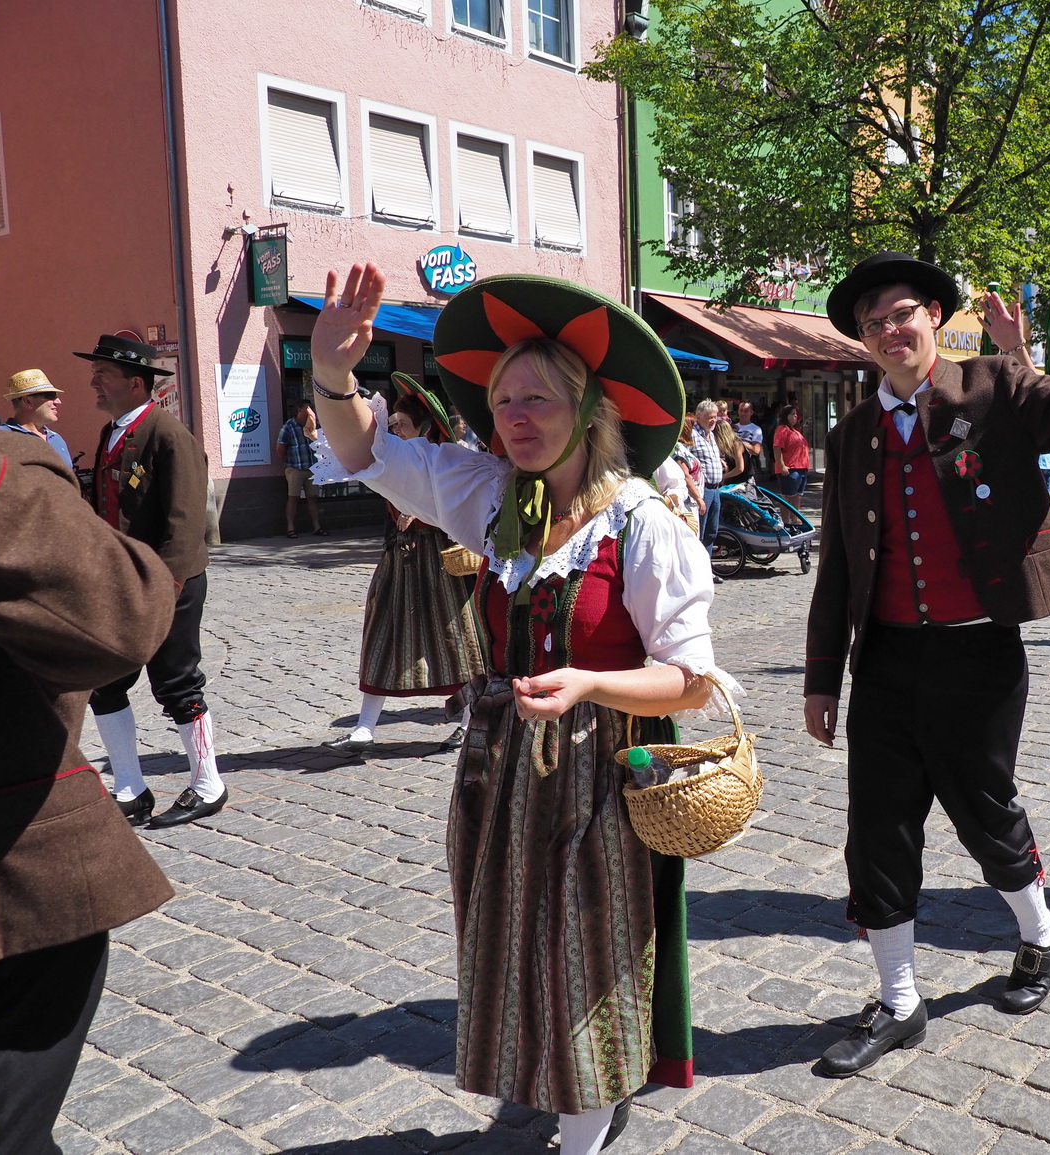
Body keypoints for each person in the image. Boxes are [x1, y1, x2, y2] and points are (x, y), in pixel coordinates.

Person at [309, 265, 733, 1155]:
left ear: (589, 410)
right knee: (514, 945)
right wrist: (332, 376)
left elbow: (692, 680)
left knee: (584, 955)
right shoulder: (492, 496)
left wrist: (589, 683)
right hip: (500, 770)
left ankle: (586, 1122)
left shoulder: (642, 523)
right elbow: (370, 455)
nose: (516, 418)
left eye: (538, 399)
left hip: (602, 771)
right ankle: (550, 1083)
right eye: (503, 401)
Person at [803, 208, 1050, 1078]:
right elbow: (837, 563)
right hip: (883, 659)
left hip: (976, 653)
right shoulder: (851, 435)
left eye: (902, 312)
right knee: (876, 832)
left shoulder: (994, 387)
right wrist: (820, 678)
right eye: (873, 321)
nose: (888, 329)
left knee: (983, 811)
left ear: (931, 318)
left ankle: (1037, 931)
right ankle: (899, 1000)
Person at [0, 289, 177, 1155]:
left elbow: (161, 541)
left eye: (105, 377)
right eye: (76, 385)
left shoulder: (11, 456)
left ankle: (191, 773)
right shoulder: (103, 439)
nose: (76, 397)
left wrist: (184, 589)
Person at [80, 334, 228, 829]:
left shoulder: (168, 433)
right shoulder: (111, 433)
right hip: (121, 579)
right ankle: (130, 787)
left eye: (104, 374)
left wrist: (164, 589)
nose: (94, 381)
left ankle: (209, 783)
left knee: (177, 683)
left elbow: (185, 523)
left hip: (169, 581)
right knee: (104, 678)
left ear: (136, 382)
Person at [318, 375, 487, 754]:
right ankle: (364, 728)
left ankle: (469, 720)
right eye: (392, 424)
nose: (395, 430)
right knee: (381, 634)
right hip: (401, 561)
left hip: (441, 564)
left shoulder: (447, 462)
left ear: (424, 428)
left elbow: (460, 511)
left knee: (457, 641)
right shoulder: (392, 461)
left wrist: (423, 516)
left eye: (402, 425)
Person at [275, 400, 327, 538]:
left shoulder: (315, 426)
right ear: (299, 410)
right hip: (295, 468)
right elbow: (280, 447)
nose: (311, 411)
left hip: (312, 467)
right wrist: (287, 464)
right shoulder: (289, 426)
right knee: (293, 498)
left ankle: (317, 527)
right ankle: (290, 528)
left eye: (312, 408)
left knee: (313, 497)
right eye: (307, 409)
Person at [0, 369, 72, 466]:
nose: (58, 401)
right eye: (50, 395)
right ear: (28, 401)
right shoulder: (1, 437)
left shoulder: (57, 439)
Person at [689, 400, 725, 559]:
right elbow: (684, 461)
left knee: (712, 531)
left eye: (715, 417)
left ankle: (707, 568)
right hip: (703, 490)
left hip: (716, 489)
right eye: (710, 417)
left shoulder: (711, 435)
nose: (713, 420)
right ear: (698, 416)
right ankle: (697, 570)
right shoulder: (693, 435)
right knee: (700, 532)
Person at [772, 403, 811, 496]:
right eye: (793, 414)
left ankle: (794, 511)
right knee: (788, 497)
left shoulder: (795, 431)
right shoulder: (782, 429)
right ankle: (785, 512)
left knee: (797, 497)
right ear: (786, 416)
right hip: (791, 469)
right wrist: (782, 466)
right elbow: (777, 448)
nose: (796, 416)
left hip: (802, 469)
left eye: (796, 414)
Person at [734, 400, 765, 482]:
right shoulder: (732, 427)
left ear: (751, 412)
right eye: (741, 410)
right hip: (731, 466)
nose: (743, 413)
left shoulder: (756, 429)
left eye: (746, 411)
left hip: (746, 467)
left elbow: (756, 450)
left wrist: (740, 444)